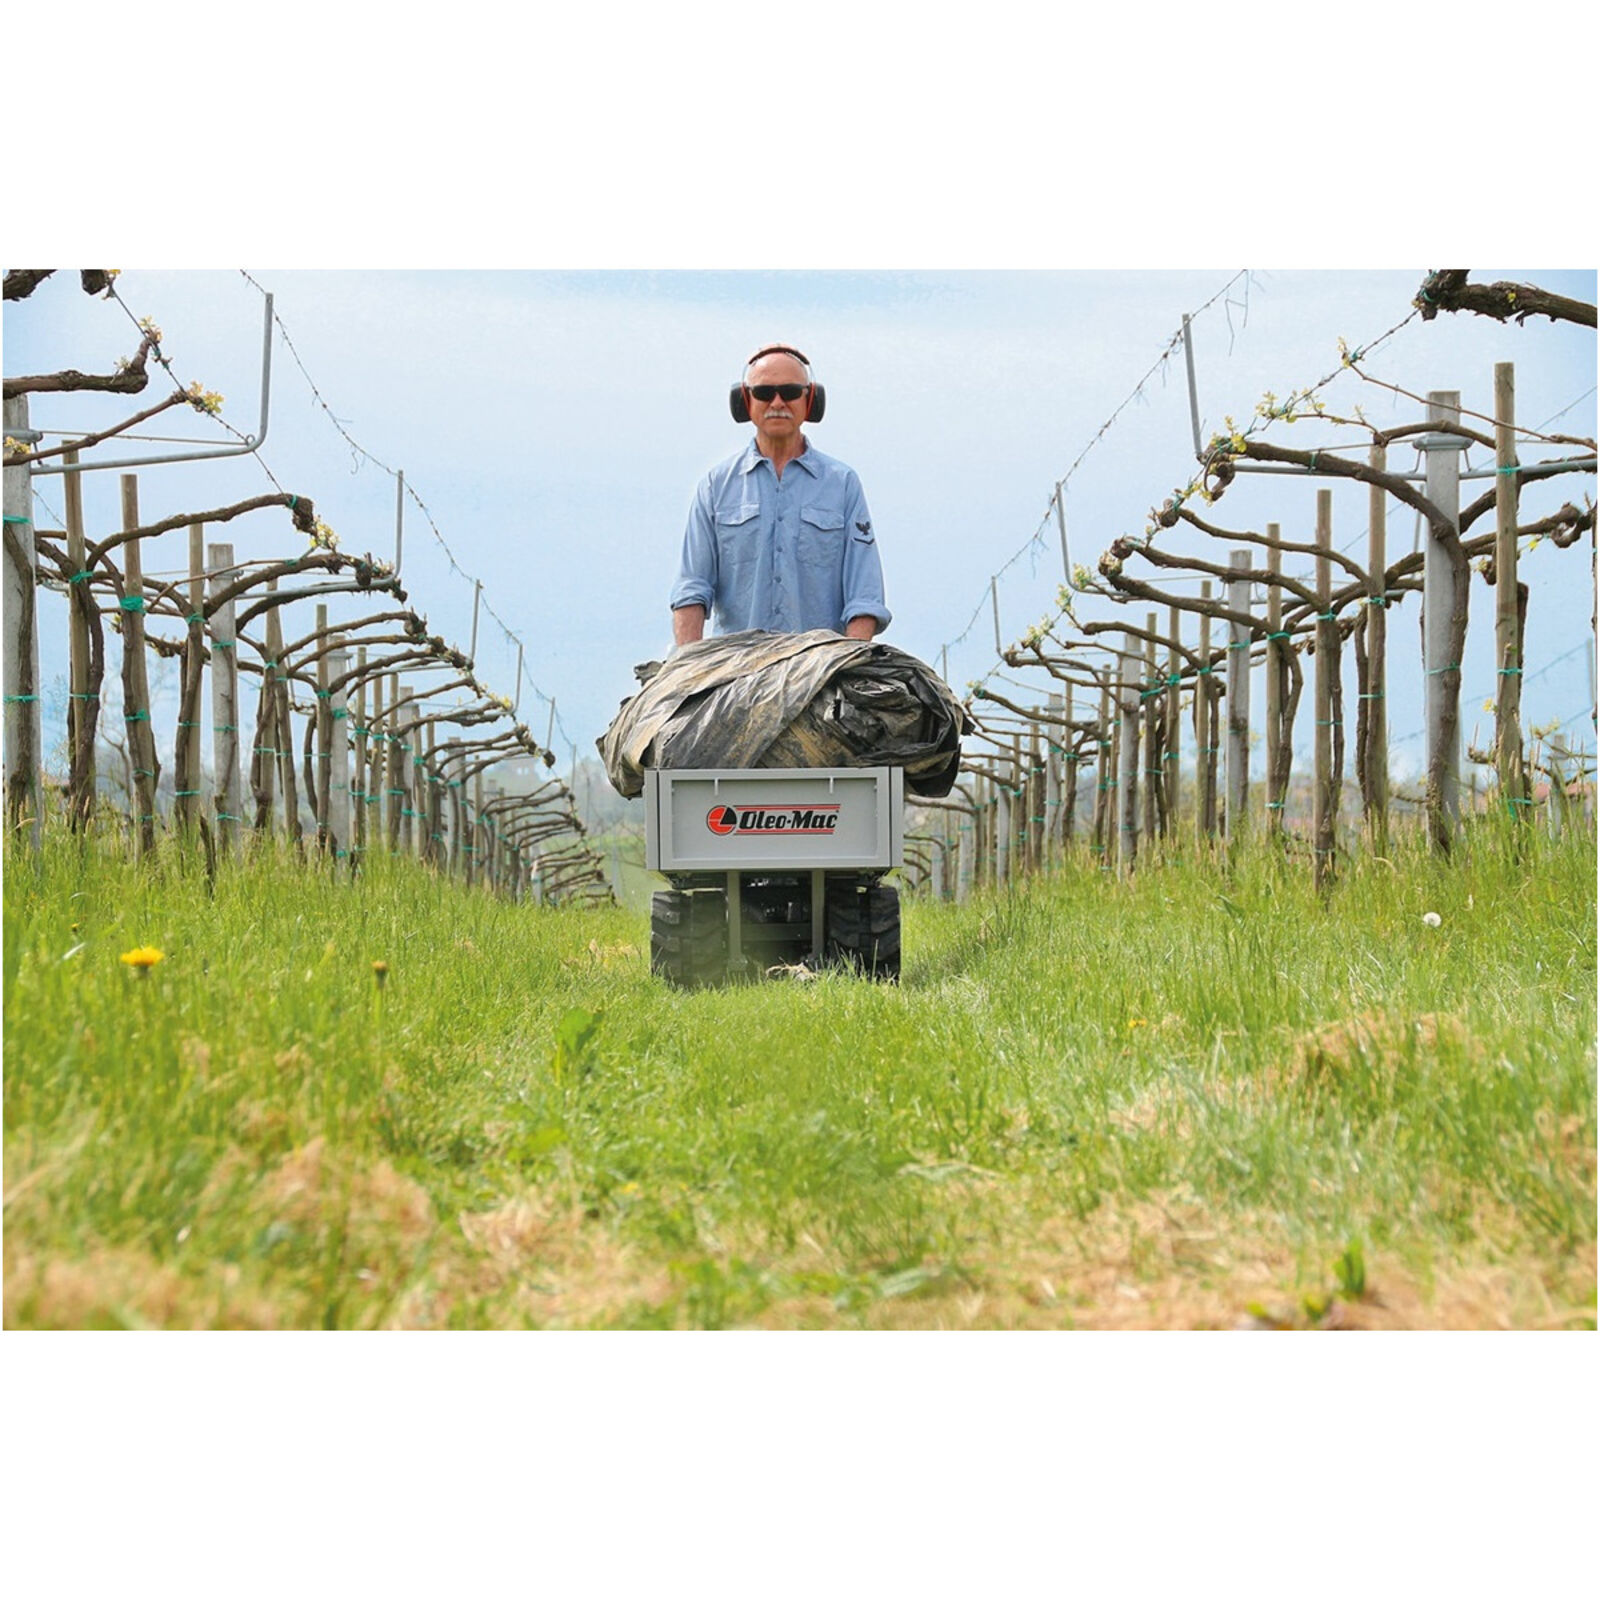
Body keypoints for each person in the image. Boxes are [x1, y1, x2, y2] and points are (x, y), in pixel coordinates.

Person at [669, 343, 890, 647]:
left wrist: (848, 661)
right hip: (736, 667)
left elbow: (864, 595)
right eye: (764, 393)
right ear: (744, 400)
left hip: (820, 665)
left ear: (810, 400)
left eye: (790, 392)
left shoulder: (843, 485)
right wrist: (688, 664)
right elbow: (692, 587)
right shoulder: (715, 486)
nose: (777, 402)